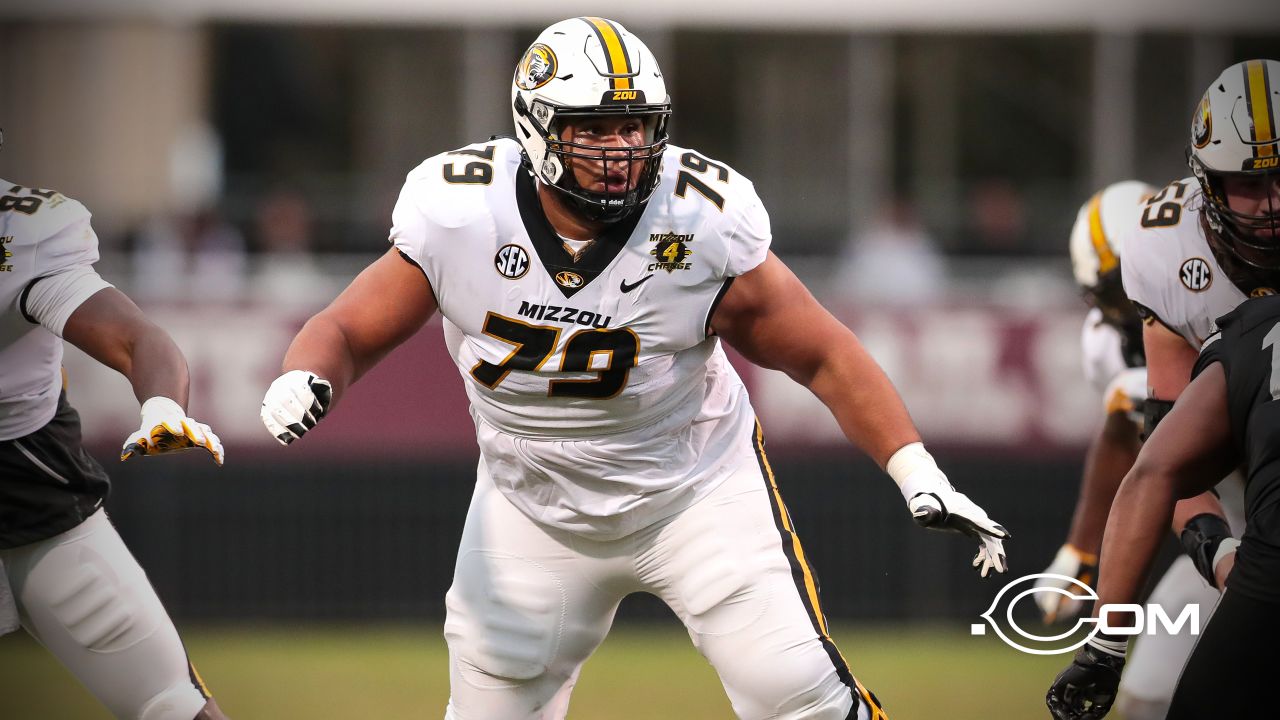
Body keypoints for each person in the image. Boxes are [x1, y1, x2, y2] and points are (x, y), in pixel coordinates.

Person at [260, 17, 1009, 720]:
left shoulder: (698, 220)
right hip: (529, 506)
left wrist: (916, 471)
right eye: (594, 129)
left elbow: (822, 353)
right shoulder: (462, 212)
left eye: (635, 127)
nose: (621, 149)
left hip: (691, 492)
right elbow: (349, 329)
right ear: (536, 127)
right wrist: (307, 373)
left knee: (795, 691)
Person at [1045, 57, 1280, 720]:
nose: (1272, 205)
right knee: (1153, 697)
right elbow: (1165, 460)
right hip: (1247, 516)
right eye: (1248, 182)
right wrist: (1221, 552)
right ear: (1207, 183)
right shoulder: (1169, 251)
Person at [0, 130, 229, 720]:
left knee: (174, 704)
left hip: (34, 491)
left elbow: (136, 338)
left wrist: (161, 408)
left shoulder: (20, 236)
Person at [1036, 179, 1223, 720]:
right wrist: (1082, 549)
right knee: (1146, 698)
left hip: (1258, 511)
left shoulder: (1225, 309)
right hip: (1226, 526)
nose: (1138, 306)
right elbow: (1139, 445)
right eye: (1119, 291)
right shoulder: (1107, 347)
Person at [1047, 292, 1280, 720]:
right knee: (1148, 695)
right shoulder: (1126, 361)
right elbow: (1143, 457)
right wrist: (1079, 548)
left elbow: (1155, 468)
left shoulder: (1246, 330)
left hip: (1259, 547)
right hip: (1236, 541)